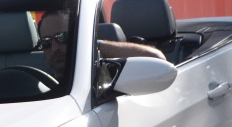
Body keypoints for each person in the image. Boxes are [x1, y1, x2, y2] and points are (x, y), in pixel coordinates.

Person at [37, 10, 165, 79]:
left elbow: (157, 60)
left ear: (79, 35)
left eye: (62, 37)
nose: (54, 48)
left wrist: (90, 45)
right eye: (46, 42)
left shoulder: (104, 71)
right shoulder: (34, 84)